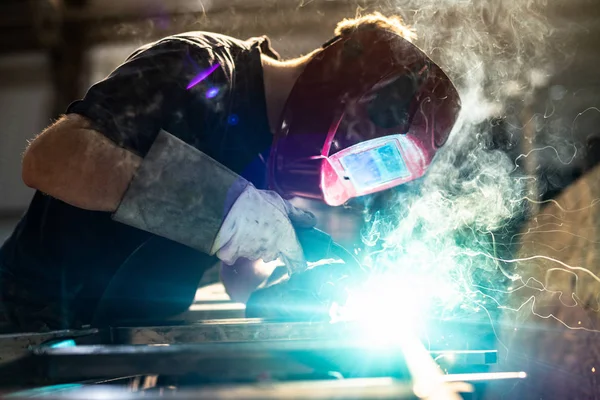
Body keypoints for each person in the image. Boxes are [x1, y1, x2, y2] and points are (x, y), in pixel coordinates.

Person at [0, 12, 461, 332]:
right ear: (349, 92)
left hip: (121, 348)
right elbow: (51, 157)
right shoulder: (200, 67)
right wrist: (222, 208)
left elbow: (237, 273)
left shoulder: (274, 158)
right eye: (359, 150)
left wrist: (285, 285)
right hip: (22, 326)